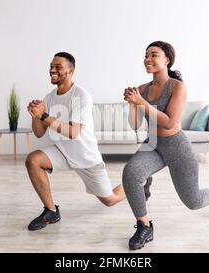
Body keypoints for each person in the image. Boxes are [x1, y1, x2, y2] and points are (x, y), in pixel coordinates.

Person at [122, 41, 209, 250]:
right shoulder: (141, 89)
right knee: (130, 174)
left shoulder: (177, 86)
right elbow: (135, 125)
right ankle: (144, 226)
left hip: (176, 147)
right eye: (146, 55)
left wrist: (142, 103)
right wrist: (132, 105)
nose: (147, 59)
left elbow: (170, 121)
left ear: (167, 60)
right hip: (153, 144)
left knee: (193, 201)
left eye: (153, 54)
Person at [25, 52, 126, 231]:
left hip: (85, 156)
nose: (52, 70)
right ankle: (50, 211)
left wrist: (44, 115)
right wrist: (35, 116)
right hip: (62, 152)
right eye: (51, 66)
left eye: (58, 67)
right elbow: (39, 133)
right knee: (33, 160)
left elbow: (73, 132)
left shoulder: (81, 96)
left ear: (70, 71)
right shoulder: (49, 97)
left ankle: (139, 186)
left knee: (110, 200)